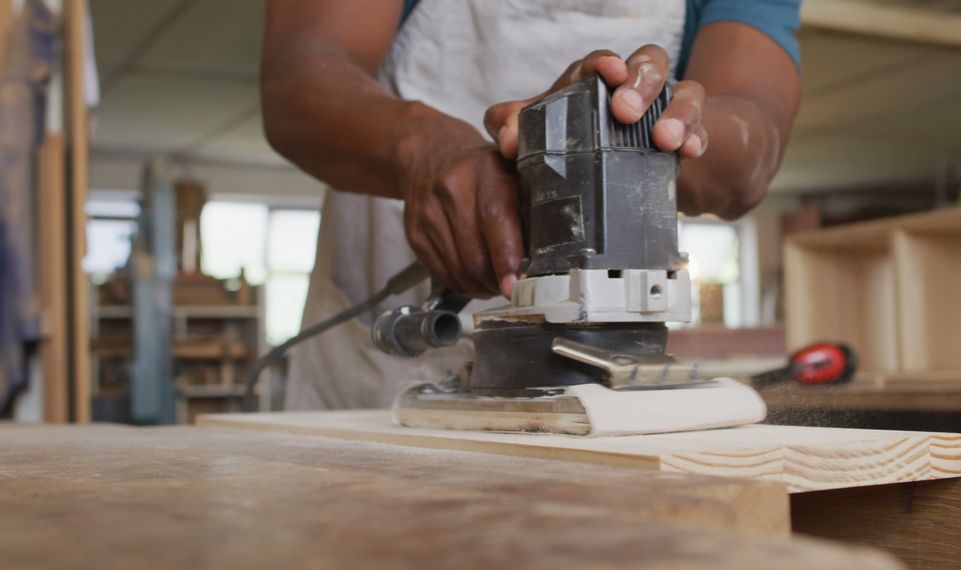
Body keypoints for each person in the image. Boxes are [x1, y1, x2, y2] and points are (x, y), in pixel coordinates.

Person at [261, 0, 802, 410]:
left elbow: (755, 144)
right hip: (379, 371)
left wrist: (662, 132)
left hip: (595, 379)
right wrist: (420, 150)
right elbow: (301, 74)